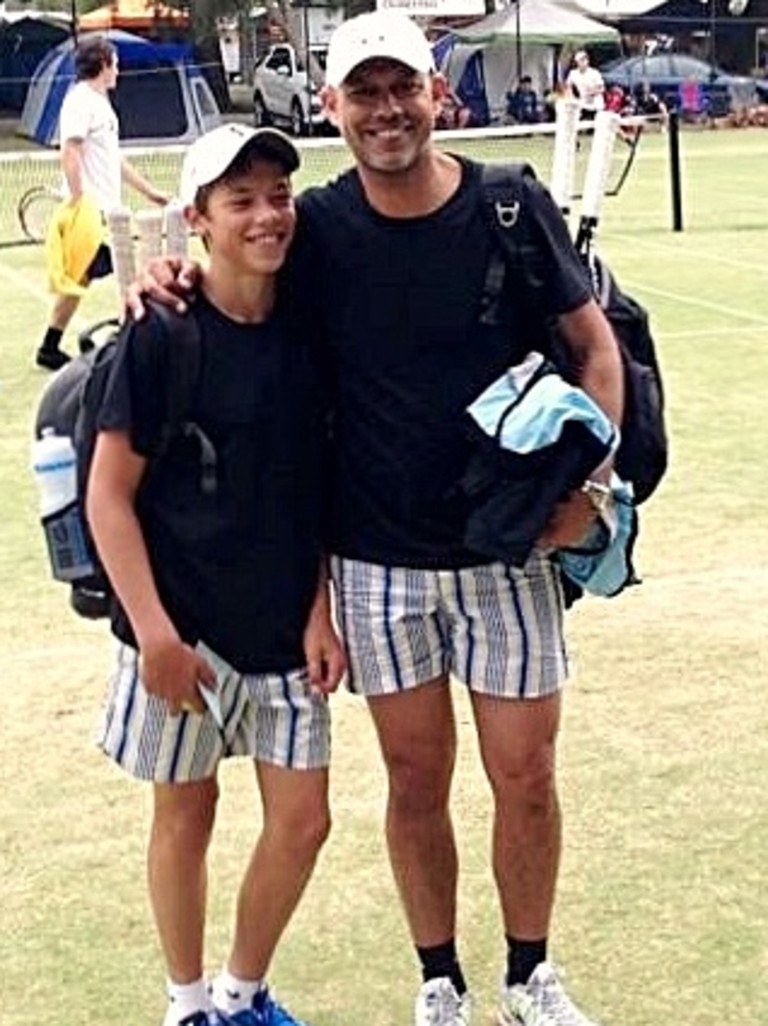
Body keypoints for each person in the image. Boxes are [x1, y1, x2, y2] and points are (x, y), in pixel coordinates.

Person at [130, 11, 624, 1026]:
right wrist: (167, 277)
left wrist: (595, 488)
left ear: (437, 92)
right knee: (413, 780)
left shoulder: (505, 204)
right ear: (334, 106)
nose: (387, 109)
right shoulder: (316, 226)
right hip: (376, 559)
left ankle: (529, 974)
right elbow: (236, 267)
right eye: (365, 92)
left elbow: (596, 347)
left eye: (404, 87)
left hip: (507, 548)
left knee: (525, 775)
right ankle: (437, 977)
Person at [87, 122, 345, 1026]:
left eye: (278, 196)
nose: (267, 215)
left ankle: (241, 994)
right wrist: (155, 635)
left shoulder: (309, 336)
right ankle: (186, 1003)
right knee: (185, 817)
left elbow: (310, 489)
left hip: (283, 629)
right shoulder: (160, 335)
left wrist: (319, 608)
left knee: (303, 819)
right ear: (197, 221)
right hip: (181, 634)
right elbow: (108, 497)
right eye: (241, 201)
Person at [35, 35, 168, 371]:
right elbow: (70, 150)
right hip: (89, 213)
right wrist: (79, 201)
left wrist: (149, 191)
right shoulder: (80, 101)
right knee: (120, 270)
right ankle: (133, 338)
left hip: (106, 211)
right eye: (116, 64)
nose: (119, 71)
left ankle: (50, 346)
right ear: (103, 65)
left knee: (84, 277)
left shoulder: (100, 103)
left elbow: (113, 158)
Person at [565, 50, 605, 119]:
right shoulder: (573, 73)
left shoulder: (594, 73)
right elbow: (568, 86)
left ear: (587, 60)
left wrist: (592, 92)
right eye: (578, 61)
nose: (581, 63)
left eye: (583, 60)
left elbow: (602, 88)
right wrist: (571, 96)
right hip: (582, 104)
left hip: (596, 104)